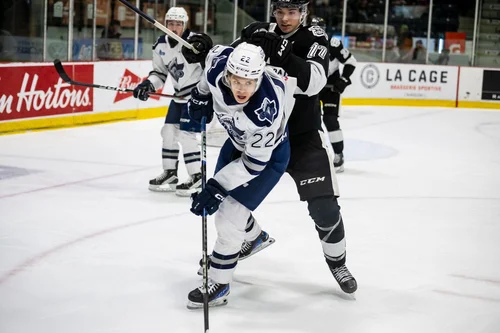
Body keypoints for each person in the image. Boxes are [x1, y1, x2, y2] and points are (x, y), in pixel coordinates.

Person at [227, 0, 357, 295]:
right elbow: (228, 63)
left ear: (304, 13)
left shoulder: (315, 38)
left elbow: (314, 85)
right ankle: (253, 237)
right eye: (280, 11)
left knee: (324, 209)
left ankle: (338, 263)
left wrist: (286, 56)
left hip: (302, 136)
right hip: (260, 136)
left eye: (292, 12)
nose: (285, 18)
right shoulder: (257, 33)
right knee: (228, 195)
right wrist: (201, 50)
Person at [182, 42, 297, 308]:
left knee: (228, 214)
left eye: (250, 82)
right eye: (237, 80)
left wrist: (216, 187)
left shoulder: (264, 111)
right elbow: (208, 71)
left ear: (259, 77)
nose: (242, 88)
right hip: (236, 142)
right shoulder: (216, 65)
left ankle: (220, 284)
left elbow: (254, 164)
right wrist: (200, 96)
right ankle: (254, 237)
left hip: (267, 157)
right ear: (228, 75)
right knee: (225, 206)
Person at [133, 7, 211, 196]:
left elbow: (211, 65)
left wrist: (205, 53)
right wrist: (148, 85)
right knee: (168, 132)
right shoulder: (161, 45)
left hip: (196, 97)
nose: (174, 27)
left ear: (185, 25)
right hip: (178, 97)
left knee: (186, 136)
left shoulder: (196, 42)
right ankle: (170, 173)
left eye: (178, 24)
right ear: (165, 24)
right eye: (170, 23)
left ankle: (196, 177)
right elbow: (159, 74)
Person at [314, 17, 357, 172]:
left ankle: (338, 155)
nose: (316, 31)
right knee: (309, 122)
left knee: (330, 120)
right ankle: (311, 156)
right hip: (312, 89)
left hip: (330, 89)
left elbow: (351, 62)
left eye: (319, 28)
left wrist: (344, 79)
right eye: (313, 28)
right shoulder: (303, 43)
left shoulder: (333, 44)